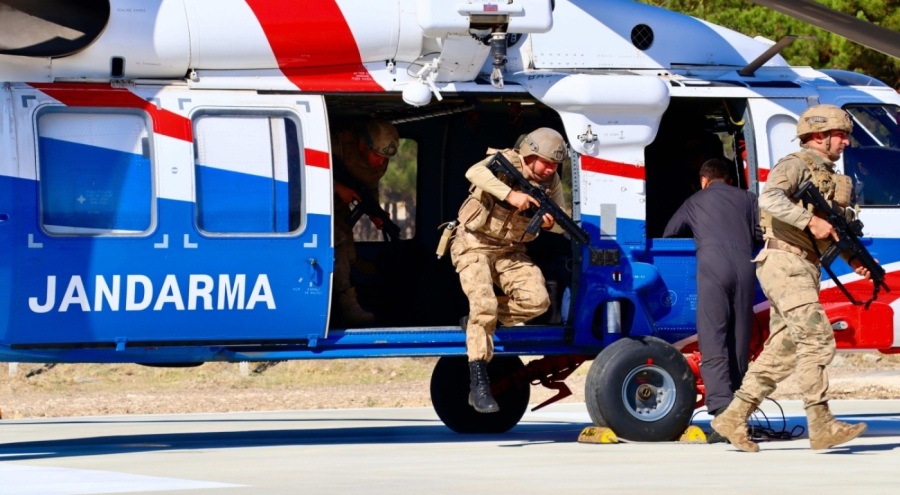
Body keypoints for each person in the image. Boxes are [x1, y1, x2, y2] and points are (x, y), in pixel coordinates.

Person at [711, 104, 871, 452]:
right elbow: (769, 199)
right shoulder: (795, 165)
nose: (845, 141)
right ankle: (821, 423)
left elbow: (829, 232)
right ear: (818, 135)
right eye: (840, 135)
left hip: (803, 266)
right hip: (784, 262)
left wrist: (853, 259)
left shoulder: (831, 177)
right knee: (817, 339)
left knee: (784, 350)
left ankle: (733, 416)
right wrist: (810, 221)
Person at [449, 127, 568, 413]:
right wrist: (511, 195)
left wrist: (551, 223)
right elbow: (473, 172)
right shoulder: (507, 161)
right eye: (546, 162)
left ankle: (480, 321)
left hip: (510, 251)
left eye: (555, 165)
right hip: (473, 244)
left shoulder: (551, 181)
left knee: (537, 301)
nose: (550, 169)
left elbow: (564, 221)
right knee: (484, 305)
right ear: (529, 155)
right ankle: (479, 384)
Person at [662, 158, 762, 443]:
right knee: (740, 339)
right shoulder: (748, 198)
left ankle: (721, 412)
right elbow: (759, 233)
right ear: (728, 179)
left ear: (704, 180)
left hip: (713, 270)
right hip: (746, 269)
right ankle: (739, 411)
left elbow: (670, 232)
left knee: (713, 337)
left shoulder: (695, 201)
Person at [331, 119, 400, 327]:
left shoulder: (379, 161)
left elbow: (369, 186)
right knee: (339, 243)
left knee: (348, 251)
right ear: (363, 146)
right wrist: (337, 187)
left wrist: (375, 212)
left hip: (339, 210)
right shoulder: (338, 145)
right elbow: (303, 168)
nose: (380, 163)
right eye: (377, 156)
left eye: (384, 159)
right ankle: (346, 305)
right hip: (311, 209)